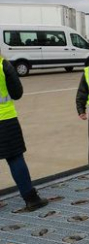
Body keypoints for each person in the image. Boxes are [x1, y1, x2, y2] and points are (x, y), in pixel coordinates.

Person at [0, 52, 48, 211]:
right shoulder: (3, 64)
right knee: (14, 158)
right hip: (5, 120)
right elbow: (17, 93)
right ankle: (31, 199)